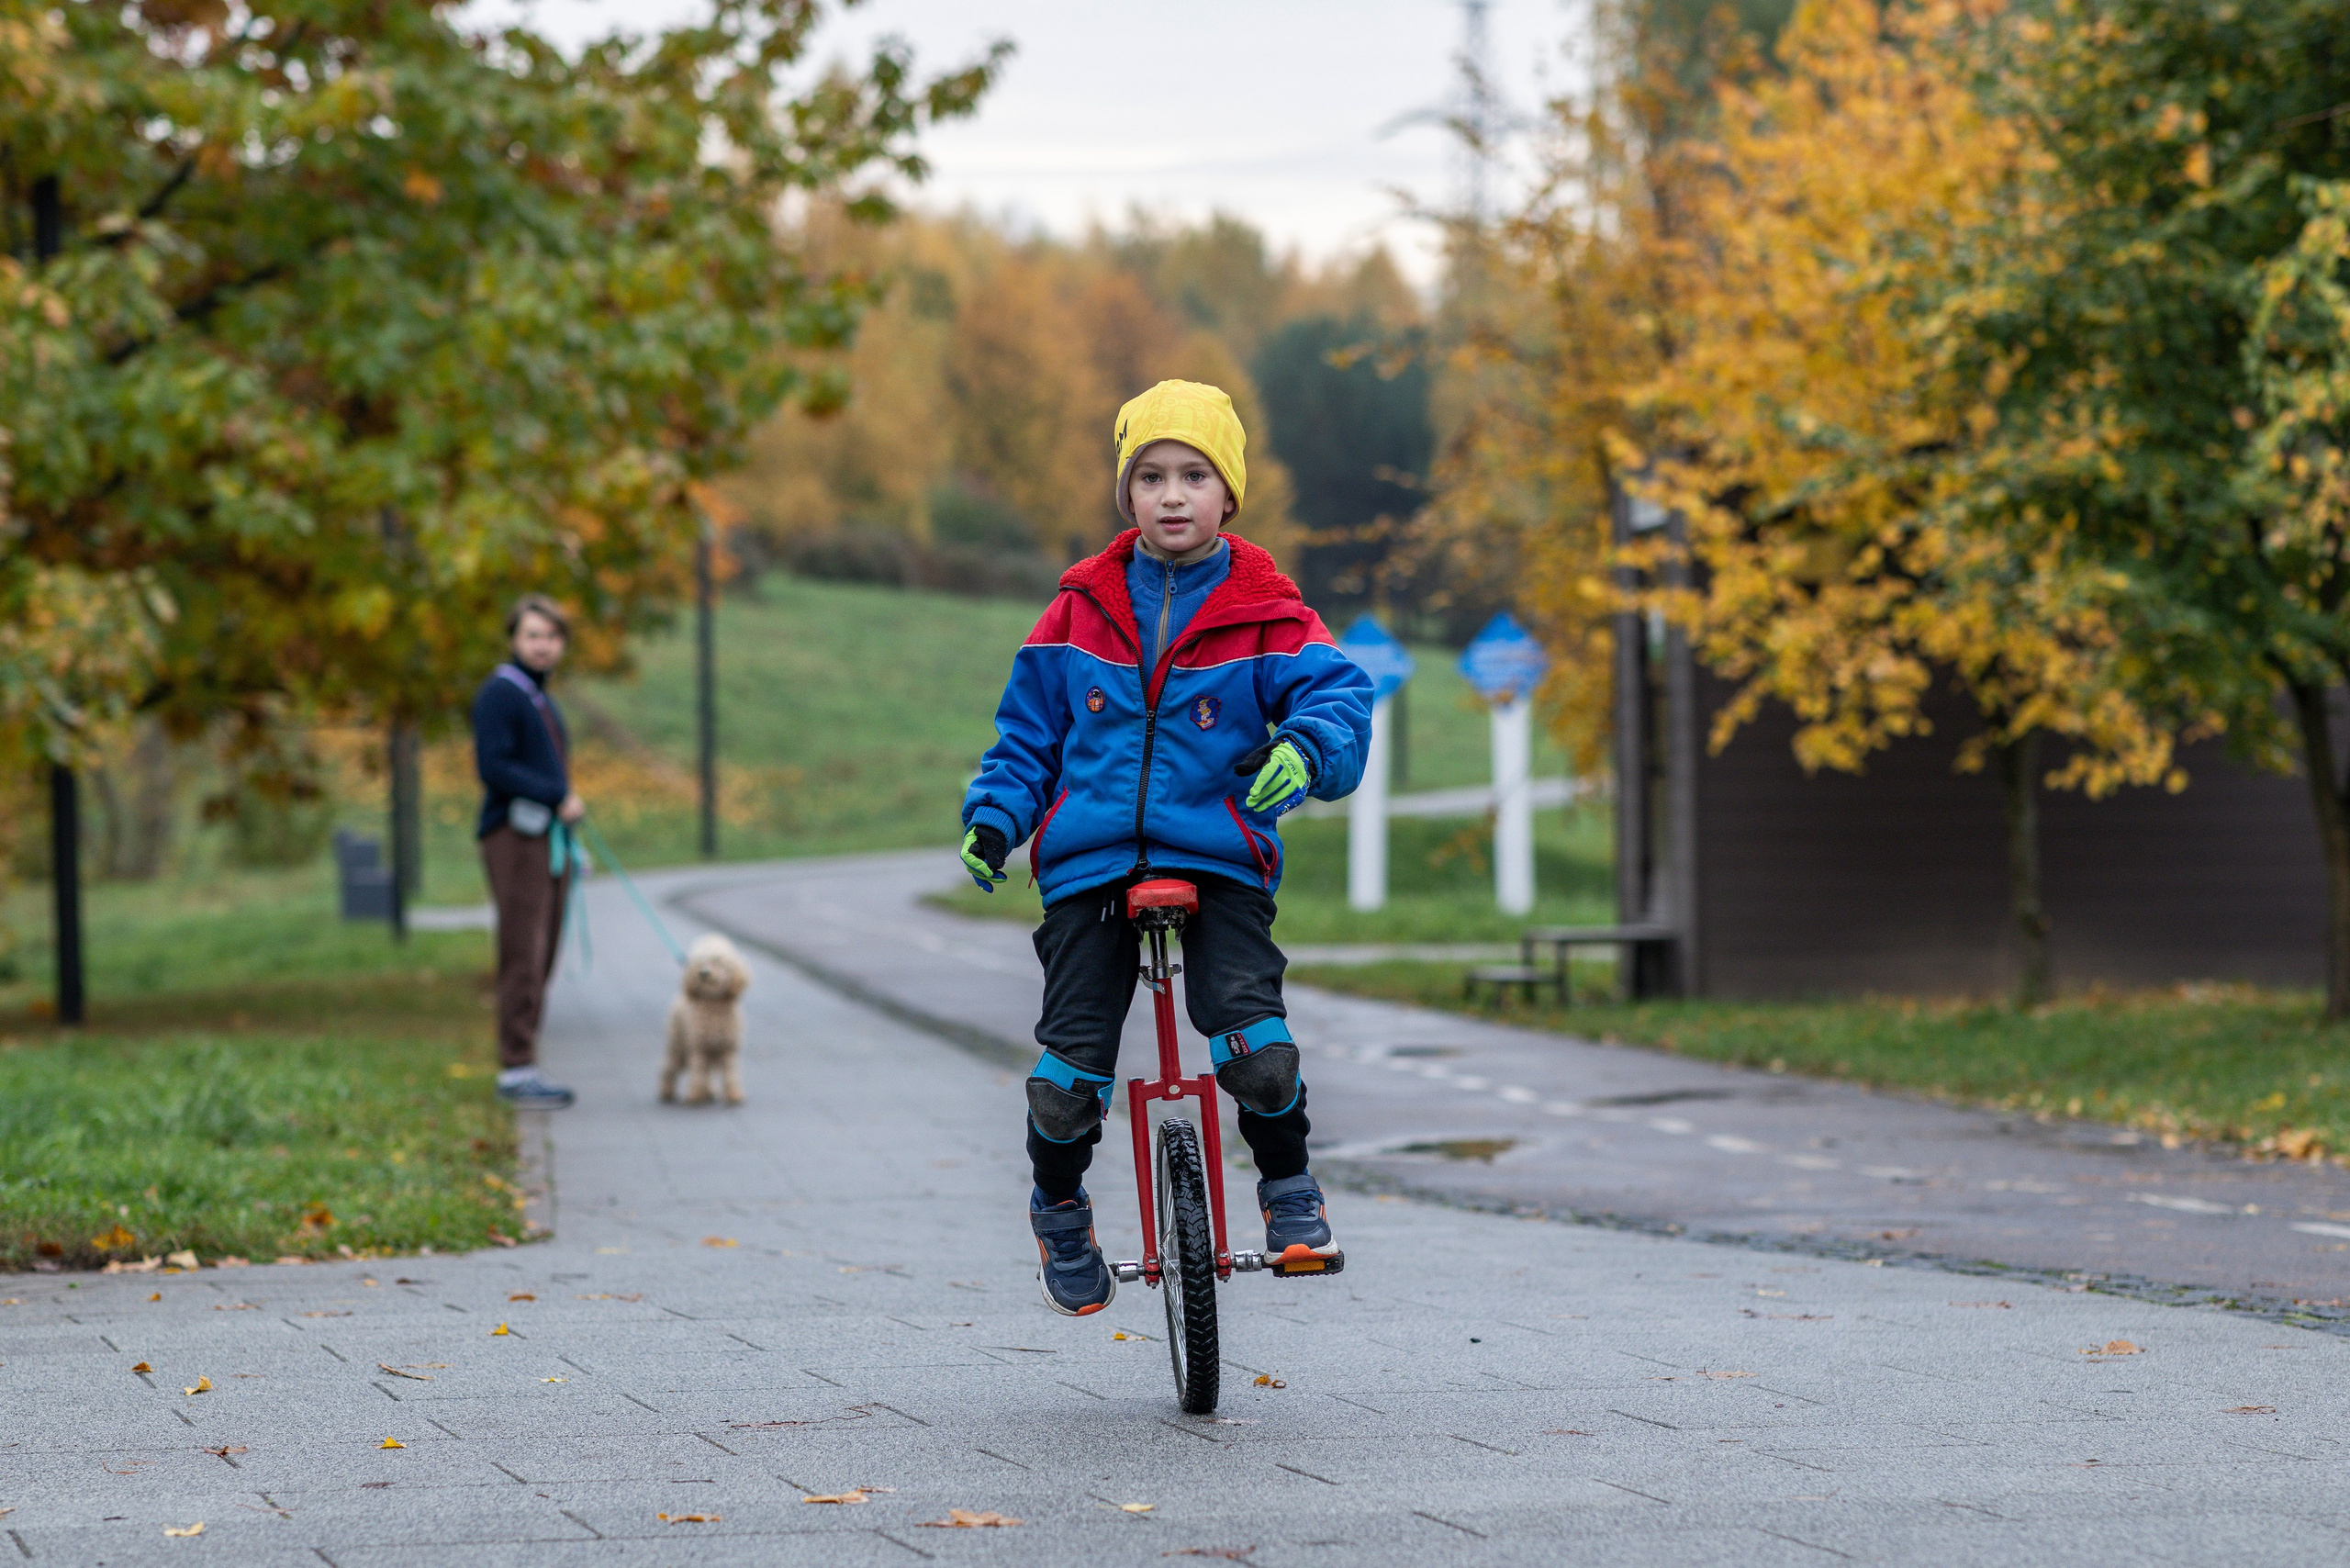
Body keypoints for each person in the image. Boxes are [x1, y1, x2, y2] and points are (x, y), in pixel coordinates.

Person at [959, 380, 1373, 1316]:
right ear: (1127, 494)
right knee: (1067, 1080)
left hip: (1216, 856)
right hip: (1090, 864)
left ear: (1229, 494)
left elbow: (1338, 697)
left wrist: (1305, 750)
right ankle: (1059, 1207)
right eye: (1150, 476)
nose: (1172, 494)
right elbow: (1026, 736)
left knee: (1256, 1046)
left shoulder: (1267, 609)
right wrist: (994, 816)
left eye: (1194, 474)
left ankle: (1289, 1191)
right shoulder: (1077, 610)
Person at [472, 593, 587, 1110]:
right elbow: (493, 767)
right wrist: (555, 794)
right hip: (515, 839)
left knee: (545, 948)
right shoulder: (502, 694)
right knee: (524, 949)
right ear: (514, 639)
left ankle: (525, 1061)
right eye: (533, 635)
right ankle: (516, 1068)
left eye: (552, 636)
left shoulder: (540, 698)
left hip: (547, 840)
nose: (543, 645)